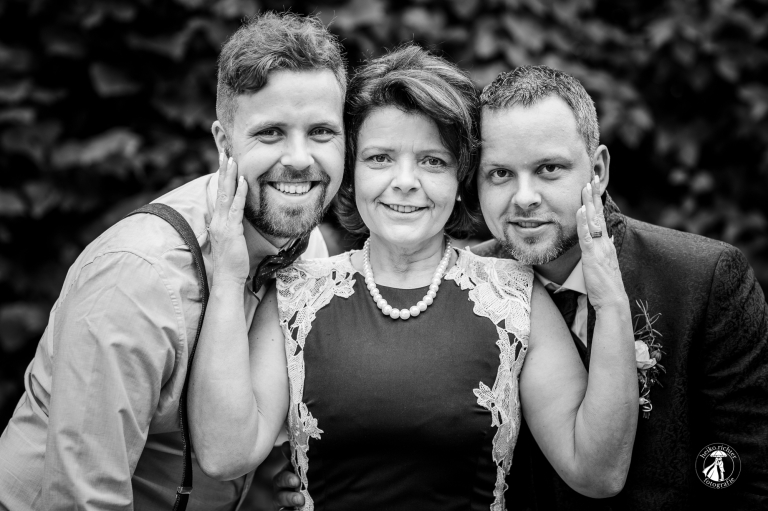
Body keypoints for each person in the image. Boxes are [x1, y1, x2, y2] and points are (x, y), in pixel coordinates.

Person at [272, 65, 768, 511]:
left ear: (597, 171)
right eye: (501, 174)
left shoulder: (700, 278)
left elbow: (743, 467)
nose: (524, 197)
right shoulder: (479, 285)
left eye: (549, 169)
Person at [189, 46, 638, 511]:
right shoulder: (293, 297)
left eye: (432, 161)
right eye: (380, 158)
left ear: (461, 179)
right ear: (351, 172)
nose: (405, 181)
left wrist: (611, 305)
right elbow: (224, 455)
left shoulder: (515, 298)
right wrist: (228, 279)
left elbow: (597, 472)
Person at [0, 12, 345, 509]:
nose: (299, 158)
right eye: (271, 132)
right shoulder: (138, 276)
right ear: (224, 143)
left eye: (321, 132)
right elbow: (82, 498)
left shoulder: (306, 248)